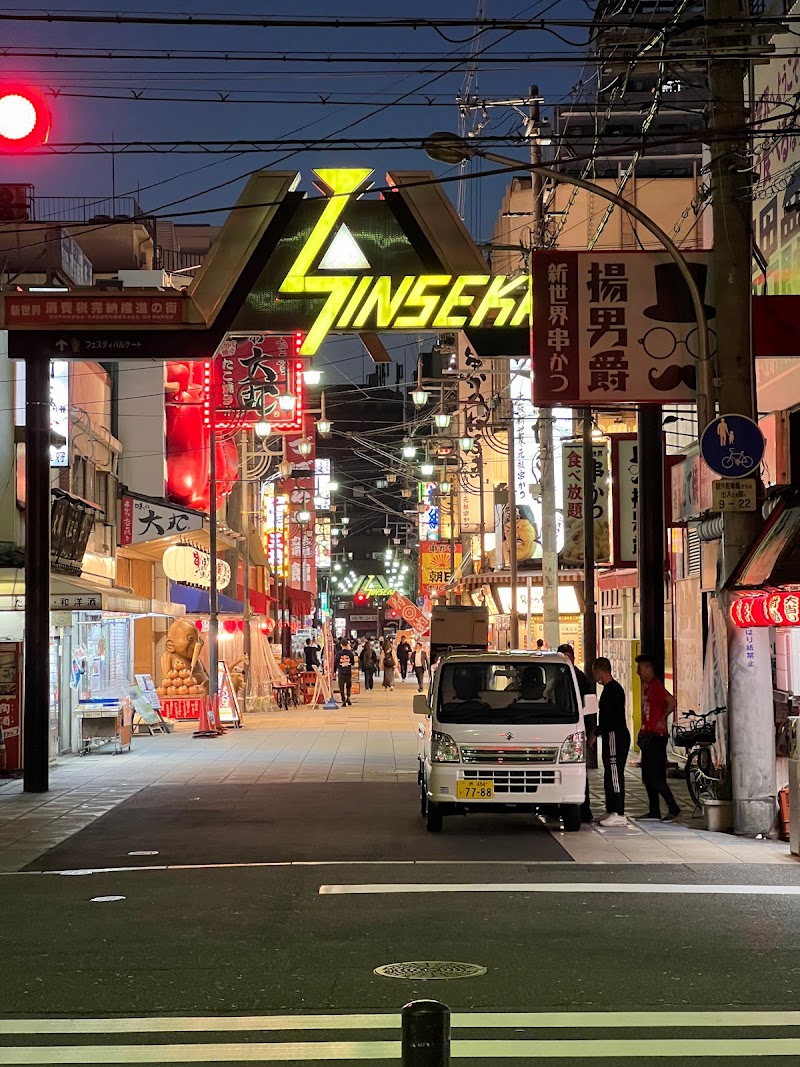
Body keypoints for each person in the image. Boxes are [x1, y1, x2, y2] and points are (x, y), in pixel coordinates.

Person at [636, 654, 680, 822]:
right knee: (647, 776)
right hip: (648, 736)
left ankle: (673, 807)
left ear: (648, 668)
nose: (638, 672)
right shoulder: (646, 686)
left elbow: (672, 701)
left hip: (657, 737)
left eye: (640, 669)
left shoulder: (655, 685)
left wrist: (663, 718)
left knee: (656, 776)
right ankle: (654, 810)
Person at [558, 643, 596, 825]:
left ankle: (584, 810)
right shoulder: (557, 677)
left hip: (576, 731)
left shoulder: (581, 679)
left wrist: (591, 732)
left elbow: (590, 709)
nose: (568, 661)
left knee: (580, 773)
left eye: (569, 657)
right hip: (560, 731)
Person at [593, 657, 631, 827]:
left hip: (616, 735)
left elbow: (610, 719)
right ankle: (610, 809)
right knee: (609, 772)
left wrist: (596, 732)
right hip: (610, 735)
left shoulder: (613, 690)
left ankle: (618, 811)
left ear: (599, 671)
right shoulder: (610, 690)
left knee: (615, 773)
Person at [334, 639, 356, 707]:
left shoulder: (338, 653)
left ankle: (343, 700)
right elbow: (352, 663)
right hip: (348, 672)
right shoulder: (350, 653)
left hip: (341, 672)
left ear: (341, 645)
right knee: (348, 686)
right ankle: (348, 698)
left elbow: (335, 663)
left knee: (341, 687)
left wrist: (334, 671)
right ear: (347, 645)